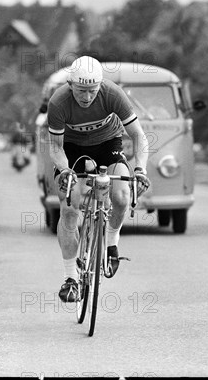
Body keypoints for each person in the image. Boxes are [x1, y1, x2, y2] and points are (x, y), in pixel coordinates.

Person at [47, 56, 151, 302]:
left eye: (92, 91)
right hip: (71, 148)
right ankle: (71, 278)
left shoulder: (112, 93)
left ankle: (111, 242)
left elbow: (138, 136)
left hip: (108, 143)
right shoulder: (58, 101)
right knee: (70, 208)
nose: (86, 97)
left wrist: (140, 170)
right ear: (71, 85)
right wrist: (64, 170)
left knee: (122, 195)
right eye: (81, 91)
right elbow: (55, 147)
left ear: (100, 85)